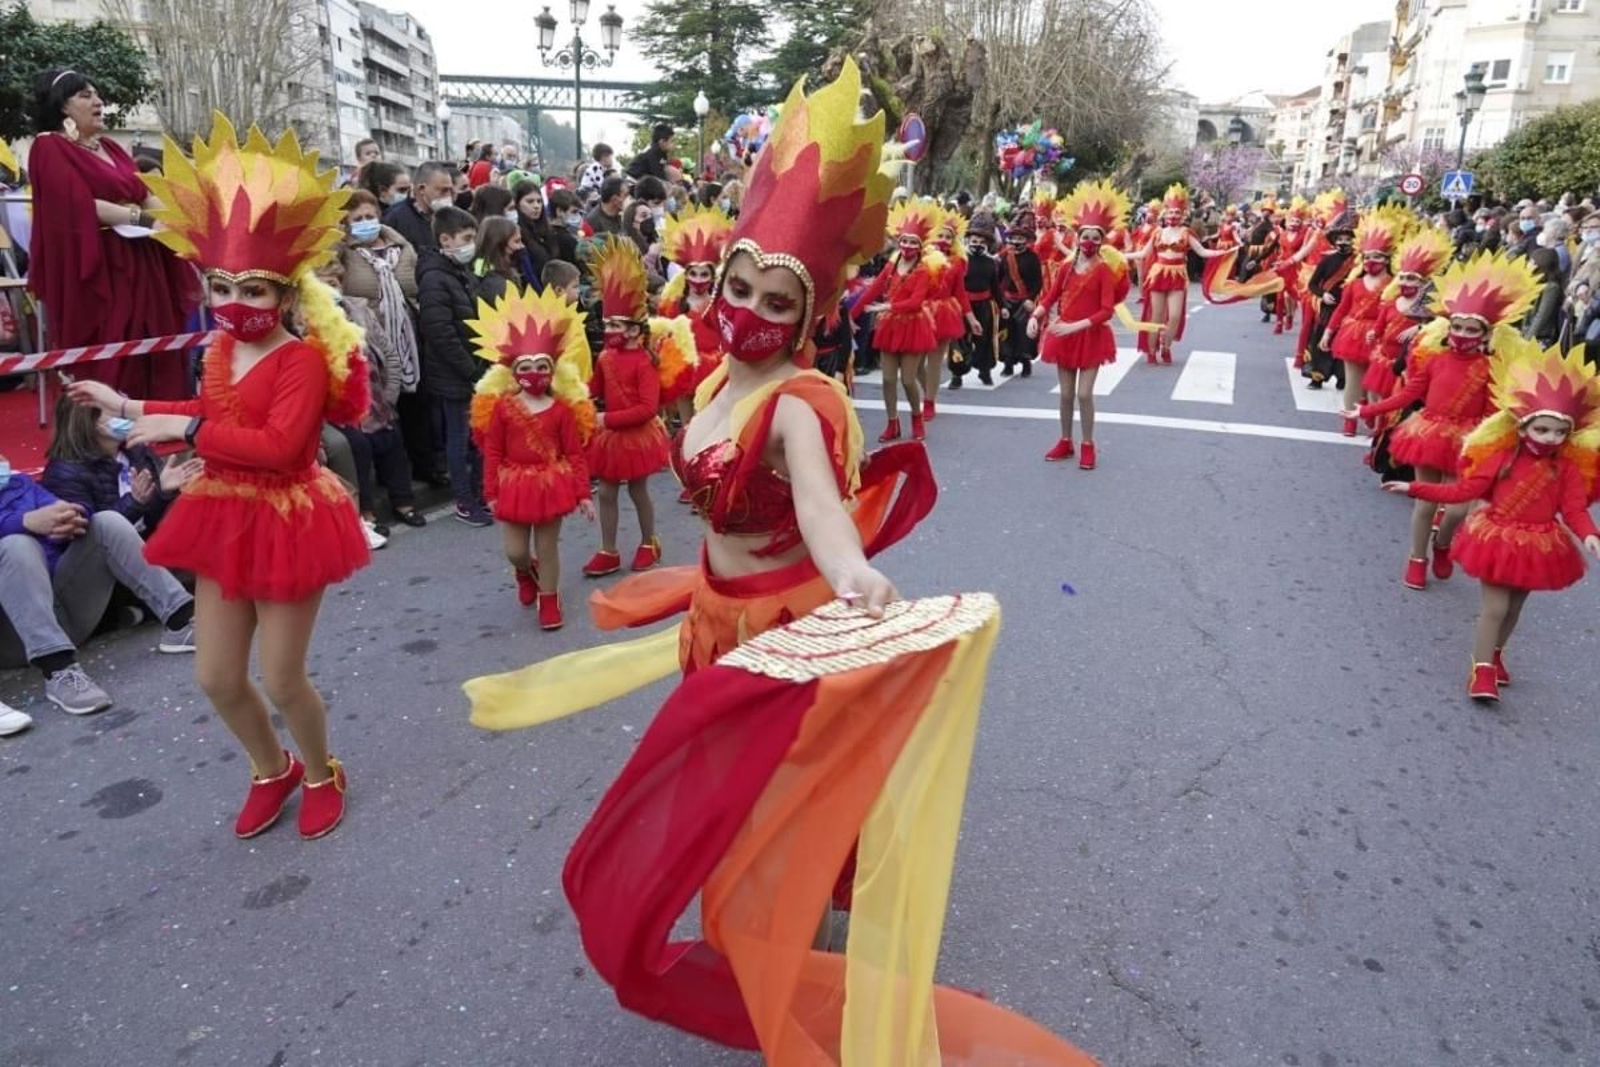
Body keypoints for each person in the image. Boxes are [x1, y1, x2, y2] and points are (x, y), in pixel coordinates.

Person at [463, 63, 1091, 1066]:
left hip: (782, 620)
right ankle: (792, 889)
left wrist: (852, 572)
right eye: (737, 285)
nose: (747, 307)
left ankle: (803, 913)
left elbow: (817, 507)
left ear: (805, 312)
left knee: (775, 785)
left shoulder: (800, 400)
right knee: (744, 782)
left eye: (771, 296)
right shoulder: (712, 374)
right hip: (714, 614)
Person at [64, 115, 370, 839]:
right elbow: (204, 409)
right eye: (224, 285)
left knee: (284, 676)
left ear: (288, 298)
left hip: (291, 517)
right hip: (226, 512)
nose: (237, 303)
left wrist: (188, 429)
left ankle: (322, 770)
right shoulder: (218, 348)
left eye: (255, 291)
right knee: (218, 677)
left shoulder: (299, 360)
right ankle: (273, 768)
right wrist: (129, 403)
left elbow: (280, 448)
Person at [1382, 342, 1600, 702]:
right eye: (1542, 430)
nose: (1550, 438)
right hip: (1498, 539)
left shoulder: (1566, 469)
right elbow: (1463, 491)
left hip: (1540, 544)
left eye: (1559, 433)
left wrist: (1589, 534)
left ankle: (1496, 654)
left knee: (1514, 608)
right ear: (1523, 427)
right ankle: (1481, 670)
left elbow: (1574, 509)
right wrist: (1414, 487)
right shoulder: (1502, 459)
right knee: (1495, 607)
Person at [1351, 252, 1543, 592]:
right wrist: (1365, 411)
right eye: (1457, 326)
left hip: (1468, 437)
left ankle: (1443, 542)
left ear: (1485, 334)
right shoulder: (1434, 357)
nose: (1462, 334)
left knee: (1458, 507)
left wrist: (1491, 445)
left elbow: (1490, 412)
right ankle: (1416, 558)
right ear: (1448, 326)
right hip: (1429, 431)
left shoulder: (1490, 366)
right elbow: (1410, 393)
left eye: (1472, 329)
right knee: (1425, 502)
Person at [25, 68, 197, 398]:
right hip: (100, 259)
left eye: (98, 94)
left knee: (157, 332)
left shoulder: (112, 147)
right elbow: (78, 206)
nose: (98, 101)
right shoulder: (49, 147)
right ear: (63, 107)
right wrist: (146, 220)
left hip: (144, 256)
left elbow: (143, 190)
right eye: (85, 96)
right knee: (112, 337)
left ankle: (159, 414)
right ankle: (108, 424)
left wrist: (175, 221)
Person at [1, 456, 196, 712]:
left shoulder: (20, 483)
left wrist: (71, 516)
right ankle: (59, 672)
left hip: (61, 604)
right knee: (16, 546)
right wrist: (24, 522)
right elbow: (25, 528)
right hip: (15, 635)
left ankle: (181, 621)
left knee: (106, 521)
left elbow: (65, 509)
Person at [469, 287, 597, 628]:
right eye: (527, 366)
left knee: (548, 545)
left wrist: (583, 494)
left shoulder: (562, 411)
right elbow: (492, 451)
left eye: (542, 366)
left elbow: (574, 454)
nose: (535, 373)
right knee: (516, 550)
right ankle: (525, 572)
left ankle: (550, 600)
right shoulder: (504, 408)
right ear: (514, 372)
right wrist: (491, 492)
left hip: (551, 482)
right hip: (513, 484)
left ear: (552, 371)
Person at [313, 259, 423, 534]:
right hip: (340, 407)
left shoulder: (359, 309)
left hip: (376, 397)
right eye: (325, 284)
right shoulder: (308, 321)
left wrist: (390, 394)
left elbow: (387, 353)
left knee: (392, 439)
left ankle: (403, 502)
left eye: (336, 282)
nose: (332, 289)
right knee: (359, 447)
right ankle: (367, 510)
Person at [1028, 180, 1132, 471]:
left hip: (1090, 337)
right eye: (1084, 237)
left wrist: (1074, 327)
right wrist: (1035, 317)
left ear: (1102, 242)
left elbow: (1106, 311)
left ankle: (1087, 443)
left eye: (1095, 239)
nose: (1089, 243)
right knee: (1065, 394)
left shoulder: (1103, 271)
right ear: (1076, 238)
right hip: (1065, 336)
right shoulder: (1065, 267)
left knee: (1084, 394)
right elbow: (1049, 298)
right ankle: (1065, 440)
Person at [581, 237, 669, 577]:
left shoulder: (644, 362)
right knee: (605, 491)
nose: (609, 331)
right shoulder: (604, 356)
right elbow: (594, 389)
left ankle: (649, 541)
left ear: (634, 330)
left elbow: (648, 408)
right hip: (612, 437)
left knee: (637, 489)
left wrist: (606, 418)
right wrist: (573, 394)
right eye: (606, 325)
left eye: (615, 325)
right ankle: (609, 549)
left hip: (634, 435)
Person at [417, 205, 492, 526]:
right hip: (454, 374)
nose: (470, 244)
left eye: (473, 237)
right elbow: (440, 332)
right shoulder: (435, 278)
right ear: (445, 240)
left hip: (472, 367)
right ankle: (464, 499)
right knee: (459, 440)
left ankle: (477, 494)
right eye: (466, 238)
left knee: (475, 438)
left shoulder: (459, 274)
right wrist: (470, 369)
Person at [41, 393, 202, 537]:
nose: (126, 416)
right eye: (114, 411)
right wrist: (134, 502)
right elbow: (90, 539)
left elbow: (148, 522)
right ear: (91, 422)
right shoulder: (65, 473)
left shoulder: (136, 450)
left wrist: (162, 491)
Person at [851, 201, 942, 442]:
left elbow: (916, 302)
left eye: (913, 242)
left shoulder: (923, 270)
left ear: (921, 246)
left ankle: (916, 418)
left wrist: (887, 306)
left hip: (913, 326)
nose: (908, 245)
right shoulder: (891, 265)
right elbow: (872, 291)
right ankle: (892, 423)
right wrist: (850, 316)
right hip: (890, 327)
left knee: (908, 379)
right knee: (888, 379)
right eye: (905, 240)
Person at [1321, 207, 1409, 433]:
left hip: (1380, 337)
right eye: (1368, 257)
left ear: (1387, 258)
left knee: (1374, 382)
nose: (1372, 261)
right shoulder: (1354, 283)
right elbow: (1341, 310)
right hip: (1351, 335)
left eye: (1378, 257)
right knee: (1353, 380)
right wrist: (1328, 332)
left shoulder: (1394, 284)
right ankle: (1349, 421)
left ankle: (1375, 423)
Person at [1126, 183, 1229, 366]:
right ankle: (1151, 350)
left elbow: (1202, 252)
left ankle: (1166, 346)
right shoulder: (1158, 232)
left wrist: (1223, 253)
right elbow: (1143, 254)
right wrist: (1120, 255)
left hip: (1178, 276)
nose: (1173, 215)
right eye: (1171, 212)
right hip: (1158, 274)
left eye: (1177, 213)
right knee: (1155, 315)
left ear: (1183, 215)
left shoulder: (1186, 232)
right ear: (1165, 214)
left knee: (1174, 315)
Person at [656, 203, 734, 423]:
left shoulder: (720, 303)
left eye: (703, 274)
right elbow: (665, 338)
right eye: (694, 273)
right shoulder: (673, 304)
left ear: (712, 276)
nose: (698, 280)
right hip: (683, 366)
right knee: (686, 423)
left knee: (706, 421)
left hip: (712, 369)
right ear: (686, 273)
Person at [1363, 227, 1453, 402]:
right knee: (1374, 397)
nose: (1404, 282)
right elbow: (1379, 327)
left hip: (1408, 364)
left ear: (1424, 281)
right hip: (1384, 359)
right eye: (1402, 277)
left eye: (1411, 279)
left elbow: (1444, 327)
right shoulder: (1391, 302)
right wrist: (1373, 334)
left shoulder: (1434, 306)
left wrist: (1421, 327)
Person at [923, 208, 980, 419]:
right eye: (940, 235)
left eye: (948, 237)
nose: (944, 240)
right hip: (920, 313)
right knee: (918, 363)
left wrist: (971, 318)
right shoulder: (922, 257)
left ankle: (929, 401)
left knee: (935, 361)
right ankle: (926, 390)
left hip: (944, 313)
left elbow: (960, 293)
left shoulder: (958, 262)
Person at [1304, 211, 1358, 388]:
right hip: (1328, 307)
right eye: (1340, 239)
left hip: (1351, 308)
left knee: (1344, 341)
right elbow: (1312, 285)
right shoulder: (1327, 260)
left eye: (1347, 239)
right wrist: (1323, 295)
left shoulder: (1360, 262)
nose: (1343, 242)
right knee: (1321, 340)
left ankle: (1342, 378)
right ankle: (1317, 376)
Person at [951, 216, 1003, 388]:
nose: (977, 244)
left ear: (987, 243)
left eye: (981, 241)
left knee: (985, 339)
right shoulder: (961, 261)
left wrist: (1003, 306)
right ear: (968, 240)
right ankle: (957, 375)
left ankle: (985, 371)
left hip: (985, 306)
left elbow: (996, 287)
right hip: (962, 306)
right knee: (959, 339)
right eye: (974, 240)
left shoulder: (991, 263)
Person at [998, 210, 1044, 378]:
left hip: (1024, 301)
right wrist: (1000, 301)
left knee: (1024, 333)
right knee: (1007, 332)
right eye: (1013, 238)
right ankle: (1008, 364)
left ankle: (1026, 363)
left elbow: (1038, 282)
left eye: (1020, 238)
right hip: (1007, 300)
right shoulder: (1004, 257)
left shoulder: (1032, 258)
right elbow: (998, 279)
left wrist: (1030, 299)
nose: (1016, 242)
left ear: (1026, 240)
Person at [383, 160, 455, 252]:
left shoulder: (450, 217)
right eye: (443, 190)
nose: (448, 196)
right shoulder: (394, 219)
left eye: (450, 190)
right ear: (422, 189)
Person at [511, 179, 555, 289]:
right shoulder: (517, 235)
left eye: (539, 201)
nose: (536, 206)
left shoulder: (546, 230)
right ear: (517, 204)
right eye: (530, 201)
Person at [472, 216, 526, 305]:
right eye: (517, 241)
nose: (522, 246)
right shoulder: (498, 285)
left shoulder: (479, 270)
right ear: (499, 244)